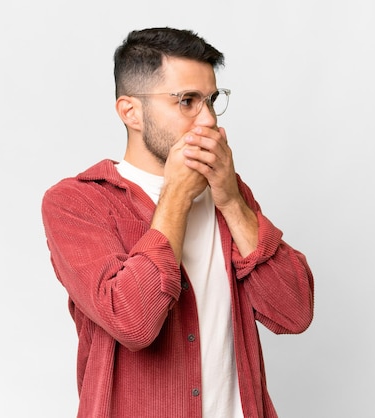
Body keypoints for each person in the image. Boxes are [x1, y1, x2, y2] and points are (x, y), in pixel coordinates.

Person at [41, 27, 314, 418]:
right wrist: (176, 196)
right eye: (186, 101)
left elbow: (295, 312)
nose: (206, 120)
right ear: (130, 112)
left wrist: (233, 202)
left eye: (211, 101)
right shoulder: (77, 202)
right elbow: (133, 321)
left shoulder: (229, 193)